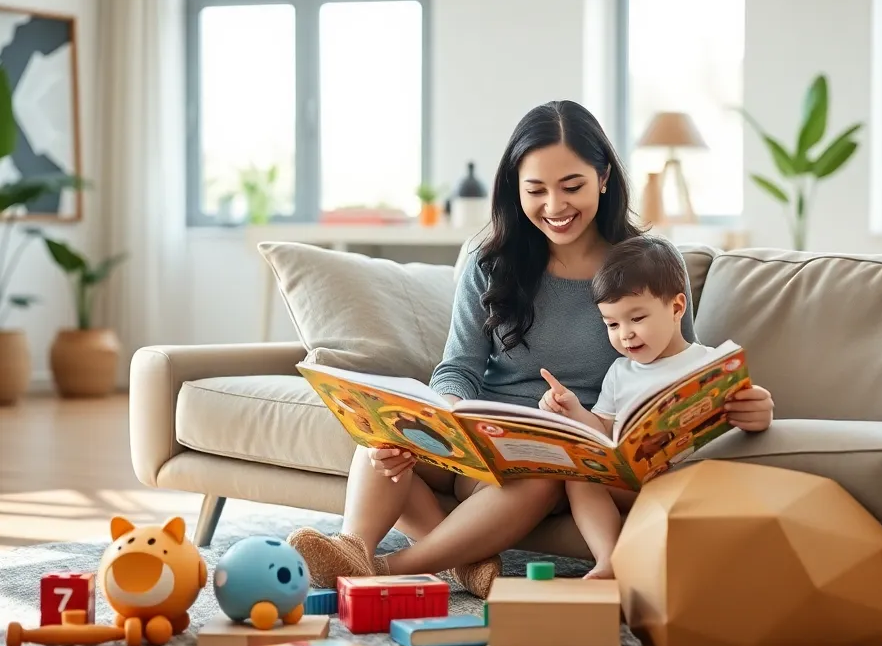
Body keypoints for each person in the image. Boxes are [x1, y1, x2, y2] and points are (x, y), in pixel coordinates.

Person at [288, 100, 775, 598]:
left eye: (572, 187)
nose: (555, 207)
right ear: (514, 189)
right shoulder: (491, 261)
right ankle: (363, 547)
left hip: (564, 459)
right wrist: (449, 409)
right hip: (480, 440)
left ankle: (389, 569)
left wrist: (735, 404)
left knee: (542, 474)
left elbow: (679, 362)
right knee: (383, 437)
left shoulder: (648, 264)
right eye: (535, 190)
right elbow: (458, 365)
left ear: (603, 177)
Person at [538, 234, 728, 579]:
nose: (625, 334)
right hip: (634, 482)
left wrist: (759, 407)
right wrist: (573, 410)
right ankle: (608, 559)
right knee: (580, 477)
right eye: (612, 324)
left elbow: (745, 417)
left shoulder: (710, 364)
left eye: (636, 319)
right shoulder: (620, 372)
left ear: (676, 308)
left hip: (688, 483)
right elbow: (602, 434)